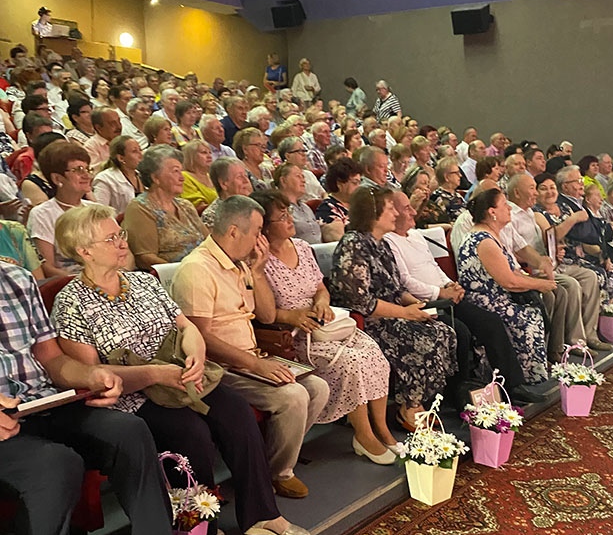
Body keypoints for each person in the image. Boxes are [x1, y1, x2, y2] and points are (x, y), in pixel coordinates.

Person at [0, 259, 229, 535]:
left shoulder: (15, 278)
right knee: (56, 465)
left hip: (41, 402)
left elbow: (52, 359)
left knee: (129, 432)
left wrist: (91, 376)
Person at [51, 203, 296, 535]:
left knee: (237, 412)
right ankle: (199, 525)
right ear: (84, 251)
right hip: (132, 396)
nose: (123, 242)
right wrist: (155, 374)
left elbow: (186, 327)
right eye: (111, 238)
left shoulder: (141, 282)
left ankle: (261, 514)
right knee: (189, 433)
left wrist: (195, 352)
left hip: (179, 377)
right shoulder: (71, 302)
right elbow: (93, 377)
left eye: (121, 234)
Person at [171, 196, 329, 500]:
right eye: (257, 231)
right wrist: (256, 365)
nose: (261, 238)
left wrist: (257, 273)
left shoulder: (240, 264)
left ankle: (267, 464)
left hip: (251, 356)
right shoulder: (197, 269)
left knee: (318, 387)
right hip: (220, 368)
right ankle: (278, 473)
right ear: (234, 231)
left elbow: (266, 316)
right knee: (293, 396)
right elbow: (201, 338)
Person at [255, 189, 396, 464]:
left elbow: (321, 289)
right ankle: (363, 435)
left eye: (288, 212)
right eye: (281, 216)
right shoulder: (259, 261)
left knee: (373, 353)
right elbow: (264, 314)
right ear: (264, 227)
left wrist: (321, 302)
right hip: (297, 336)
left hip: (326, 324)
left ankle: (382, 429)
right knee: (351, 362)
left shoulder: (302, 247)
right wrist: (293, 316)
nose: (289, 219)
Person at [385, 191, 548, 405]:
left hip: (446, 294)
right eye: (407, 208)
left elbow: (433, 267)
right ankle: (459, 394)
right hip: (422, 301)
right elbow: (405, 281)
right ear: (394, 212)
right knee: (460, 330)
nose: (414, 212)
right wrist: (440, 292)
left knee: (490, 322)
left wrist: (450, 284)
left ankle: (513, 385)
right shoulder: (389, 241)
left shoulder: (415, 235)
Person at [329, 186, 457, 430]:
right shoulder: (353, 245)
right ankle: (409, 407)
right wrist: (405, 313)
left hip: (392, 314)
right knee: (422, 339)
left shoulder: (382, 245)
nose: (396, 214)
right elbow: (360, 302)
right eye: (390, 209)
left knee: (443, 331)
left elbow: (398, 290)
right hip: (367, 323)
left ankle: (415, 402)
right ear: (373, 213)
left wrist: (416, 306)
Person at [457, 189, 553, 385]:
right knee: (527, 317)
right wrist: (541, 284)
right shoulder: (483, 241)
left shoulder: (492, 235)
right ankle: (522, 379)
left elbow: (512, 273)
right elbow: (509, 281)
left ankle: (529, 374)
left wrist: (536, 278)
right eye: (504, 205)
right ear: (492, 212)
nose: (509, 208)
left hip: (497, 296)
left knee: (534, 310)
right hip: (483, 300)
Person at [508, 172, 611, 353]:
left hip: (549, 263)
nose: (536, 193)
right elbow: (514, 252)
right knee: (570, 285)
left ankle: (590, 335)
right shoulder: (513, 216)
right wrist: (542, 259)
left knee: (589, 276)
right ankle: (574, 341)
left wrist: (555, 251)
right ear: (517, 193)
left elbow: (547, 241)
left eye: (551, 188)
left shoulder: (530, 213)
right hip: (531, 269)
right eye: (534, 188)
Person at [535, 165, 613, 299]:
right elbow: (558, 236)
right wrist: (574, 219)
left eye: (552, 188)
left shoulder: (564, 207)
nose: (581, 184)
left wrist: (603, 252)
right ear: (565, 186)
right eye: (577, 181)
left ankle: (611, 310)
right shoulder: (540, 212)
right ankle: (602, 310)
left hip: (580, 254)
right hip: (564, 258)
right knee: (598, 274)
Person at [123, 145, 207, 268]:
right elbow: (145, 258)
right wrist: (183, 271)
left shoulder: (186, 206)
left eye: (181, 171)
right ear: (155, 178)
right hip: (170, 274)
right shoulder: (140, 208)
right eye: (175, 171)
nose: (182, 178)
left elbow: (209, 242)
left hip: (202, 268)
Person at [27, 140, 97, 278]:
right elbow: (47, 268)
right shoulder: (43, 214)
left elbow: (125, 251)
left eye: (88, 169)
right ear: (57, 178)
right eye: (78, 170)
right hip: (71, 282)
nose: (87, 175)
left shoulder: (97, 209)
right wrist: (88, 282)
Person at [92, 135, 145, 214]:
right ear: (121, 158)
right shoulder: (105, 179)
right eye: (134, 151)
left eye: (140, 150)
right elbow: (100, 213)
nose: (141, 155)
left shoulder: (143, 175)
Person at [315, 156, 361, 241]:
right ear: (339, 184)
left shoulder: (360, 205)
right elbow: (338, 244)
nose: (359, 187)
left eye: (359, 183)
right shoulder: (327, 210)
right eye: (355, 183)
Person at [274, 164, 321, 243]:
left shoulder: (306, 207)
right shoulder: (278, 208)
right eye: (298, 176)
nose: (303, 181)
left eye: (303, 177)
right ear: (283, 181)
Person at [201, 156, 253, 228]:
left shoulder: (254, 205)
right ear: (223, 184)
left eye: (246, 175)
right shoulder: (212, 216)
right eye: (239, 177)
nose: (246, 181)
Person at [417, 156, 464, 226]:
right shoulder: (438, 197)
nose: (460, 175)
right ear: (446, 177)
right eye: (456, 173)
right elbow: (446, 221)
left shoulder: (457, 194)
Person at [277, 135, 326, 199]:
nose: (304, 154)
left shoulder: (309, 174)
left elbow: (323, 193)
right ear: (288, 156)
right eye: (299, 151)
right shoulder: (286, 176)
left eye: (304, 150)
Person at [180, 139, 219, 212]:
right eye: (204, 152)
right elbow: (199, 207)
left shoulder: (211, 176)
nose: (209, 156)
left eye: (210, 153)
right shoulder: (184, 177)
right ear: (191, 156)